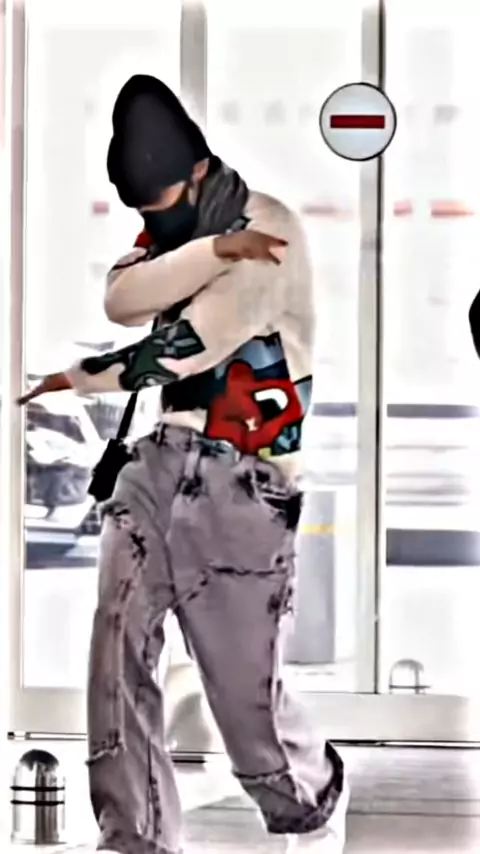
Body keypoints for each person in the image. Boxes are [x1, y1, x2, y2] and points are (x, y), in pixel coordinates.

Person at [18, 75, 348, 854]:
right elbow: (120, 298)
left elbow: (183, 348)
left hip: (242, 482)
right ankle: (135, 838)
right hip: (156, 467)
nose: (149, 222)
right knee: (115, 661)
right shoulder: (193, 236)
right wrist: (208, 250)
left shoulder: (269, 230)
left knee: (245, 704)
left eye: (158, 203)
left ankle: (312, 804)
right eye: (139, 210)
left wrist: (77, 377)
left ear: (198, 172)